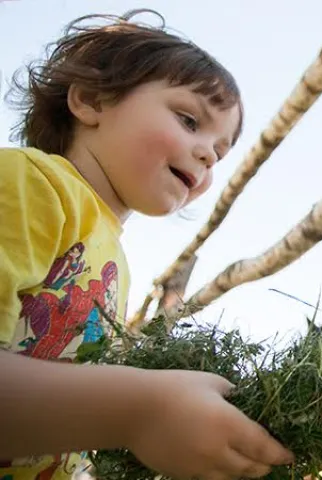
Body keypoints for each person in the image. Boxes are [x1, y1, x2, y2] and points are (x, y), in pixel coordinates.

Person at [0, 9, 294, 480]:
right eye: (189, 120)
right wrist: (138, 413)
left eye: (219, 152)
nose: (207, 155)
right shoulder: (29, 184)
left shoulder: (115, 259)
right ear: (92, 100)